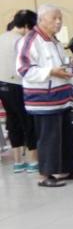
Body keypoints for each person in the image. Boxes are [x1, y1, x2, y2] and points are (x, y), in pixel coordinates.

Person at [17, 5, 73, 187]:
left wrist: (68, 67)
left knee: (66, 136)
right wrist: (52, 72)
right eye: (54, 18)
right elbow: (24, 69)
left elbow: (60, 64)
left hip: (62, 97)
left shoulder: (54, 40)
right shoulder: (30, 40)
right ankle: (45, 175)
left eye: (60, 18)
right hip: (44, 100)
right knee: (49, 138)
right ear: (41, 20)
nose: (58, 22)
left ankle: (66, 170)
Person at [0, 10, 39, 173]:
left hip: (2, 85)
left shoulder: (2, 37)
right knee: (28, 122)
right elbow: (29, 65)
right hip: (18, 85)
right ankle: (33, 161)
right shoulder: (21, 41)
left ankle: (17, 162)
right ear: (26, 26)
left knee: (13, 121)